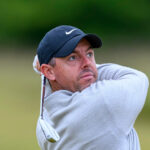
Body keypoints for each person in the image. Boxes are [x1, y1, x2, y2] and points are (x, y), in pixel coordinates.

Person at [33, 25, 149, 150]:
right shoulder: (105, 101)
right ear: (48, 72)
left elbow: (51, 79)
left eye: (89, 54)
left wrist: (49, 65)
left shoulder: (45, 123)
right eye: (73, 57)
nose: (87, 63)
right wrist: (90, 69)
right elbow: (137, 78)